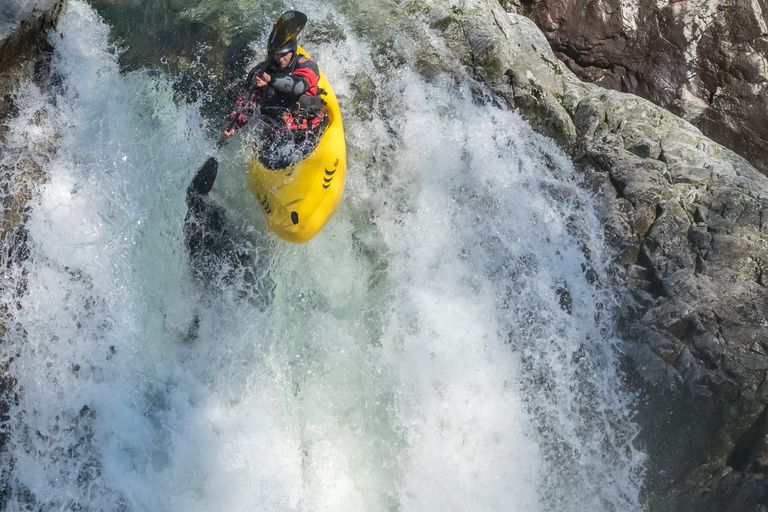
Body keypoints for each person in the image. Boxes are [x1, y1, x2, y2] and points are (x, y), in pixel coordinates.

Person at [220, 13, 326, 167]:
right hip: (279, 133)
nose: (280, 58)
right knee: (267, 162)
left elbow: (298, 86)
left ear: (293, 51)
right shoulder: (259, 72)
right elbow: (246, 102)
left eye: (284, 54)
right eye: (276, 54)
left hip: (310, 130)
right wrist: (232, 125)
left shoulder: (306, 65)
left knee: (285, 160)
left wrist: (271, 81)